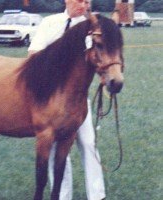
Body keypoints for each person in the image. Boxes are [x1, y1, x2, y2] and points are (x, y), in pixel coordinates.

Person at [28, 0, 106, 200]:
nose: (84, 4)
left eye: (87, 1)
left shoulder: (91, 28)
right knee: (57, 150)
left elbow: (98, 57)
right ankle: (62, 196)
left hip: (78, 102)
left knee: (88, 144)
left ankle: (97, 195)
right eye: (80, 0)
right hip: (53, 102)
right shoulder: (49, 23)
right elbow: (33, 54)